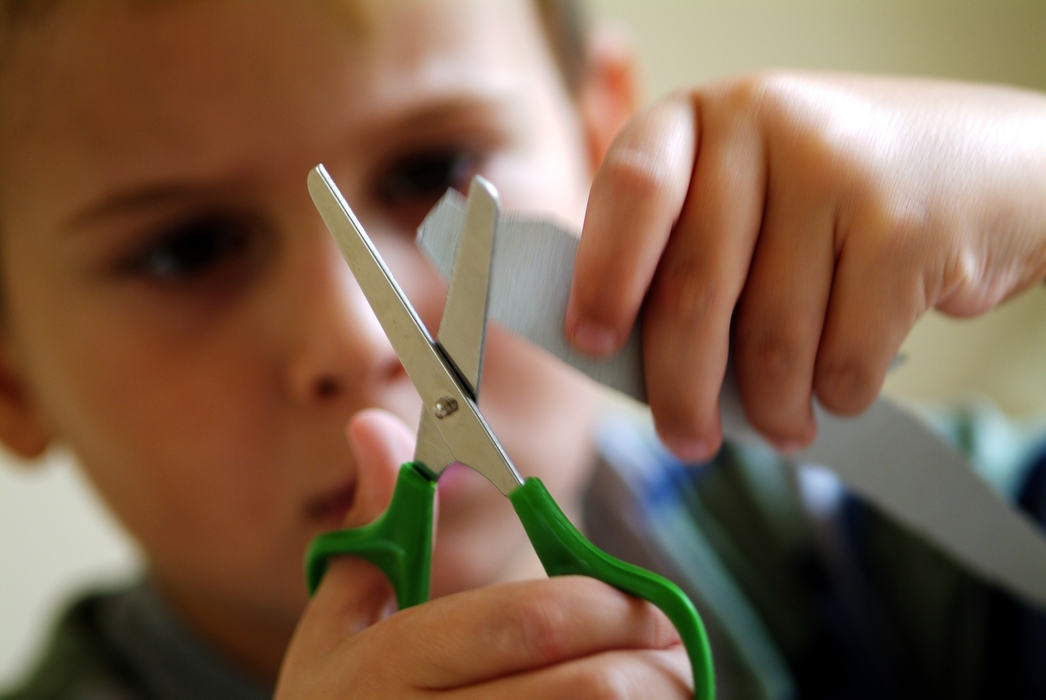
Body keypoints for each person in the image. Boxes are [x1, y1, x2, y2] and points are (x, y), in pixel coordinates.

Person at [0, 0, 1044, 698]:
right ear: (9, 376)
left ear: (603, 151)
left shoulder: (855, 525)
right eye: (188, 251)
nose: (360, 339)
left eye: (431, 170)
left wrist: (1028, 177)